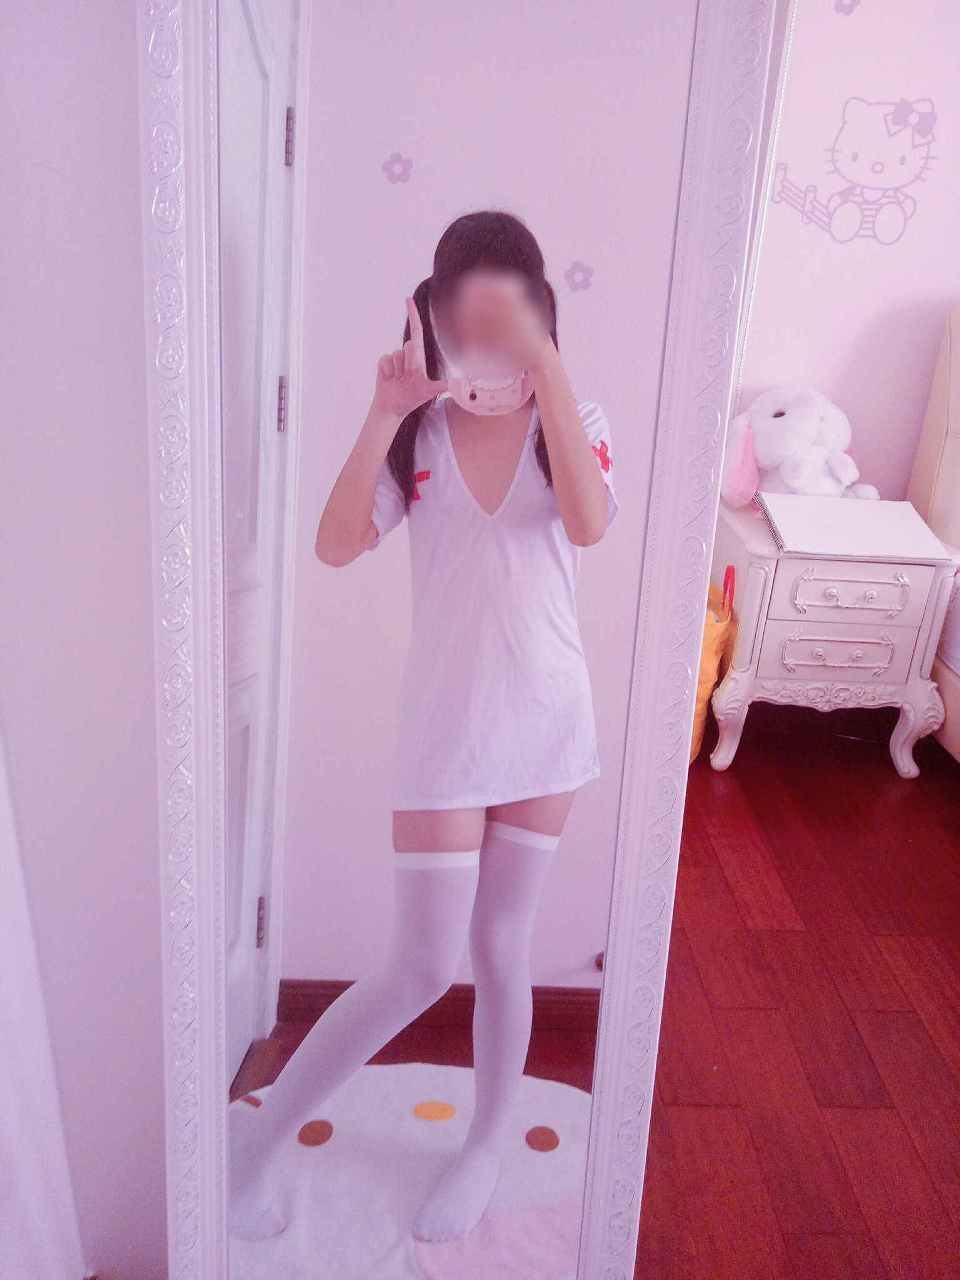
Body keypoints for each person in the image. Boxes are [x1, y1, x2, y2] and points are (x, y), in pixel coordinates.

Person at [229, 209, 618, 1244]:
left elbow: (589, 522)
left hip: (548, 724)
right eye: (466, 314)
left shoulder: (576, 418)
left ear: (539, 312)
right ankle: (257, 1142)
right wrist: (383, 409)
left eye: (508, 313)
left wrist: (546, 367)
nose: (485, 336)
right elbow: (332, 544)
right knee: (420, 964)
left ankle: (485, 1142)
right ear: (433, 315)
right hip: (447, 730)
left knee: (503, 945)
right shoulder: (423, 435)